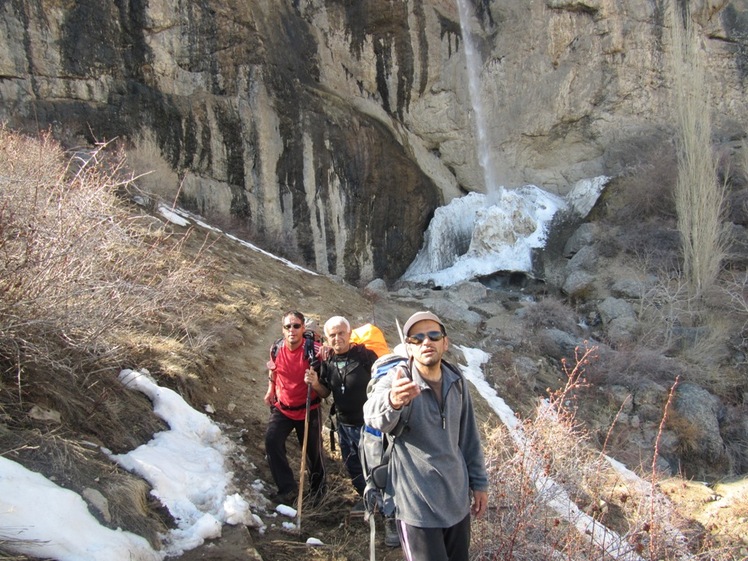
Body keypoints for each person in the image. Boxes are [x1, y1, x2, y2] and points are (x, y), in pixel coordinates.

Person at [363, 311, 489, 561]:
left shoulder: (457, 381)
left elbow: (468, 436)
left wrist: (479, 482)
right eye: (417, 339)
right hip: (416, 508)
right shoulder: (398, 380)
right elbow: (372, 414)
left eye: (433, 335)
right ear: (408, 347)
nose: (426, 342)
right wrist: (393, 401)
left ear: (445, 342)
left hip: (456, 502)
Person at [305, 317, 378, 501]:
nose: (337, 338)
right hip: (343, 427)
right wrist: (315, 384)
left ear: (349, 333)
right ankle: (368, 502)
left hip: (369, 426)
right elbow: (325, 392)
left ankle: (385, 506)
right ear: (327, 339)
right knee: (353, 467)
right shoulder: (328, 363)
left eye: (341, 333)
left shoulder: (366, 356)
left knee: (375, 467)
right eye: (332, 335)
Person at [264, 311, 327, 505]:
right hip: (282, 407)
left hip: (309, 407)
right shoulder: (276, 348)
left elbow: (326, 390)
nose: (292, 330)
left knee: (312, 453)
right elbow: (273, 369)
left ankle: (318, 491)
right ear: (283, 329)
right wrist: (270, 390)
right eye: (288, 326)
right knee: (272, 441)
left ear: (303, 328)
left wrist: (328, 349)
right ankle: (287, 488)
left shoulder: (314, 350)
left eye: (296, 326)